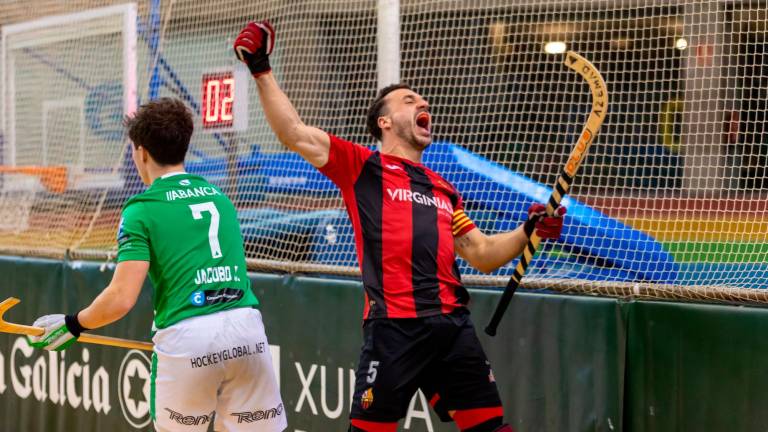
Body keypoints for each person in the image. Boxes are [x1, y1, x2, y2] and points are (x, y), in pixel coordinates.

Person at [234, 21, 565, 432]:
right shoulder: (362, 167)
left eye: (423, 100)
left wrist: (529, 230)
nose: (421, 103)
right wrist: (262, 69)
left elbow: (481, 254)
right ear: (385, 122)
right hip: (394, 329)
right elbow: (293, 132)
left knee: (492, 426)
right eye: (409, 100)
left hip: (452, 327)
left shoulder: (444, 189)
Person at [27, 98, 286, 432]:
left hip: (187, 337)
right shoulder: (219, 198)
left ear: (141, 152)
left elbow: (121, 298)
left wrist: (74, 324)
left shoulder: (142, 208)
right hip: (247, 332)